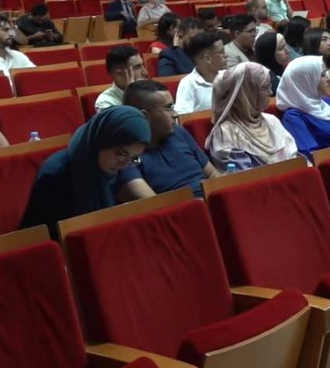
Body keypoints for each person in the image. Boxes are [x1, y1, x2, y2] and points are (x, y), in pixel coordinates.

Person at [19, 106, 152, 238]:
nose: (124, 165)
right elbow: (41, 236)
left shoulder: (113, 169)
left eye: (133, 158)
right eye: (120, 154)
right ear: (102, 141)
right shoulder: (56, 175)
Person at [120, 81, 221, 197]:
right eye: (168, 109)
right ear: (144, 116)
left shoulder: (178, 132)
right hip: (181, 207)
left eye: (173, 107)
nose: (175, 114)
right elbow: (155, 203)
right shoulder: (125, 154)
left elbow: (212, 174)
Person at [207, 63, 299, 171]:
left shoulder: (272, 120)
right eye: (264, 88)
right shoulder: (226, 134)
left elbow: (296, 160)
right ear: (245, 94)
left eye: (269, 86)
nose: (270, 92)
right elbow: (245, 176)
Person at [276, 56, 330, 159]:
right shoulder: (293, 117)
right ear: (306, 81)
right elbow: (311, 155)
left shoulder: (329, 102)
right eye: (322, 75)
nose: (328, 79)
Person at [175, 31, 226, 115]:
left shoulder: (228, 76)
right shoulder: (188, 84)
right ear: (207, 58)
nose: (225, 55)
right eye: (221, 52)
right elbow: (183, 117)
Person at [94, 46, 149, 112]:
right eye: (137, 67)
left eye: (143, 65)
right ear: (119, 74)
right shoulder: (105, 103)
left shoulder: (150, 92)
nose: (145, 72)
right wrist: (130, 96)